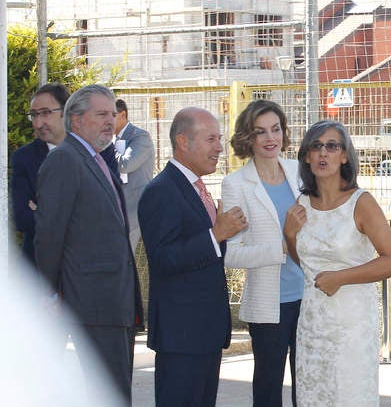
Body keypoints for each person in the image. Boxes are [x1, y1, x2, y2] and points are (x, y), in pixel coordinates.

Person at [34, 84, 143, 404]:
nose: (111, 121)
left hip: (113, 300)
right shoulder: (65, 160)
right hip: (92, 301)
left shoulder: (95, 158)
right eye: (101, 115)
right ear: (77, 120)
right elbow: (50, 235)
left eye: (112, 114)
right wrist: (50, 292)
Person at [283, 120, 391, 406]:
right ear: (307, 156)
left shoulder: (361, 202)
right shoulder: (302, 203)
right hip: (312, 325)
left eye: (332, 146)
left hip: (352, 325)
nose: (323, 153)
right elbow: (309, 266)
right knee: (313, 397)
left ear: (345, 155)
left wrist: (341, 277)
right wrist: (289, 235)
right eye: (316, 146)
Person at [138, 107, 247, 407]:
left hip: (205, 333)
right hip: (181, 336)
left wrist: (225, 234)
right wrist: (216, 235)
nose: (219, 147)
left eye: (219, 139)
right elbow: (164, 259)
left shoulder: (196, 188)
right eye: (211, 139)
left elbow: (206, 252)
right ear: (184, 142)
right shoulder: (161, 191)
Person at [221, 100, 302, 407]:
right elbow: (231, 254)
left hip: (310, 296)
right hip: (270, 303)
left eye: (276, 129)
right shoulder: (236, 184)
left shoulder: (299, 172)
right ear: (248, 138)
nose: (271, 138)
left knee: (308, 383)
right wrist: (283, 245)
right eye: (260, 131)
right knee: (268, 388)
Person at [11, 83, 119, 268]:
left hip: (88, 270)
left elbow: (108, 211)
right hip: (39, 270)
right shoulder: (24, 158)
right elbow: (22, 218)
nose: (38, 123)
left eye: (45, 113)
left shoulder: (101, 151)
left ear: (67, 112)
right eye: (34, 115)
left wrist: (44, 211)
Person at [113, 98, 155, 254]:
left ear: (122, 115)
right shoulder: (113, 139)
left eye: (111, 115)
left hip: (134, 206)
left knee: (125, 255)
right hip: (116, 206)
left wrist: (107, 147)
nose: (106, 121)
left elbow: (126, 164)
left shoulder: (140, 136)